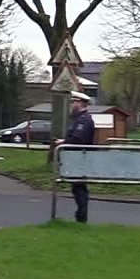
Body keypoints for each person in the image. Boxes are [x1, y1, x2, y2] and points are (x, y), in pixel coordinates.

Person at [53, 90, 96, 222]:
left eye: (74, 102)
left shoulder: (84, 120)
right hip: (77, 158)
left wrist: (63, 142)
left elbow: (78, 139)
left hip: (80, 158)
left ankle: (81, 216)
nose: (72, 105)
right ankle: (81, 215)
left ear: (80, 103)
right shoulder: (80, 119)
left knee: (79, 188)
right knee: (78, 187)